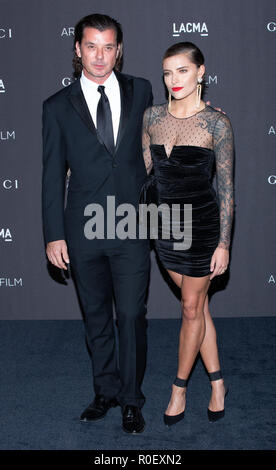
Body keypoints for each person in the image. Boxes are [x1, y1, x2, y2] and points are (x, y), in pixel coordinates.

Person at [42, 14, 153, 434]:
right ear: (77, 50)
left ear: (119, 50)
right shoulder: (56, 106)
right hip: (83, 228)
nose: (100, 56)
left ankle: (130, 399)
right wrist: (53, 233)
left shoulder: (142, 90)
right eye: (92, 46)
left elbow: (163, 129)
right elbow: (52, 174)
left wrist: (203, 115)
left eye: (108, 47)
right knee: (95, 317)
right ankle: (104, 392)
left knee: (130, 314)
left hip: (130, 224)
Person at [141, 41, 234, 425]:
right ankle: (217, 384)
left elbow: (227, 187)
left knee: (190, 308)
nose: (173, 79)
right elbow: (148, 173)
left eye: (182, 70)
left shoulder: (217, 123)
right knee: (200, 307)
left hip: (202, 229)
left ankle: (179, 389)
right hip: (166, 230)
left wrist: (225, 243)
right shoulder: (151, 117)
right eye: (167, 72)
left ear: (201, 72)